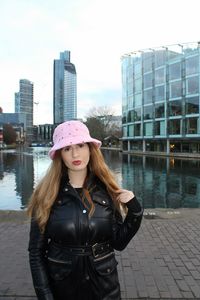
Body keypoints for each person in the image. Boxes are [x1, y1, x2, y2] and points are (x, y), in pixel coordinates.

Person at [27, 120, 143, 300]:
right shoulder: (45, 195)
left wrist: (135, 211)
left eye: (80, 145)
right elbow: (36, 253)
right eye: (67, 148)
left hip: (105, 288)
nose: (75, 153)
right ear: (60, 155)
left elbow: (119, 242)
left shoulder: (106, 191)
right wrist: (45, 295)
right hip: (63, 288)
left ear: (90, 149)